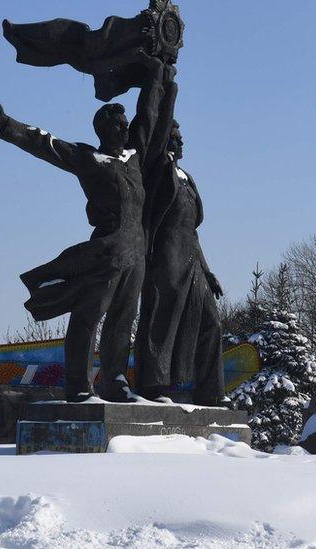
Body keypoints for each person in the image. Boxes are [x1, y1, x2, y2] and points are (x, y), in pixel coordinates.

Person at [0, 50, 176, 403]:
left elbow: (150, 115)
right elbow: (45, 143)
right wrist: (6, 122)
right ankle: (79, 384)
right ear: (102, 131)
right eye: (116, 126)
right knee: (89, 315)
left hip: (136, 253)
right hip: (106, 251)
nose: (123, 130)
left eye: (124, 126)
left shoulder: (135, 158)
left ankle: (117, 381)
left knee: (123, 320)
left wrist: (157, 76)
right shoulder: (88, 159)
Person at [135, 120, 227, 406]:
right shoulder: (157, 172)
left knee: (212, 324)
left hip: (192, 260)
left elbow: (192, 229)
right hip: (164, 259)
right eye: (175, 137)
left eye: (181, 137)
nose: (181, 142)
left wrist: (208, 271)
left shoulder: (186, 176)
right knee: (161, 322)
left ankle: (211, 391)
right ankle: (153, 387)